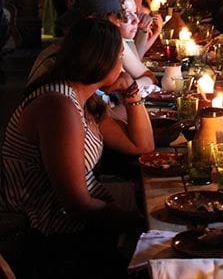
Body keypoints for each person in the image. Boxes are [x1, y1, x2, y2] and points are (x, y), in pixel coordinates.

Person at [0, 18, 153, 275]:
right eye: (119, 56)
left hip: (78, 225)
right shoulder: (59, 106)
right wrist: (137, 223)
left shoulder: (84, 96)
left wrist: (131, 92)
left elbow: (142, 145)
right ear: (100, 60)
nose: (122, 64)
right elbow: (76, 202)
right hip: (54, 240)